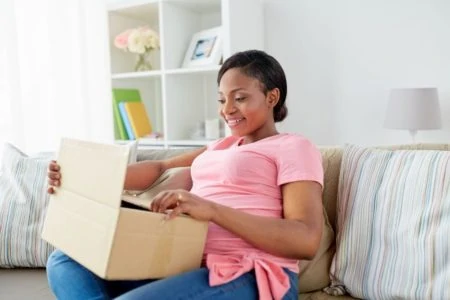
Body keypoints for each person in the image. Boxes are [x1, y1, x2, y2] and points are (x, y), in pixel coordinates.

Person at [46, 49, 324, 300]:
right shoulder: (219, 146)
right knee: (63, 262)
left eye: (239, 98)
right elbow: (161, 168)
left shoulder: (293, 147)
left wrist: (212, 210)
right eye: (222, 99)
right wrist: (78, 175)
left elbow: (306, 239)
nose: (226, 109)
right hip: (183, 263)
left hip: (252, 273)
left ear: (271, 97)